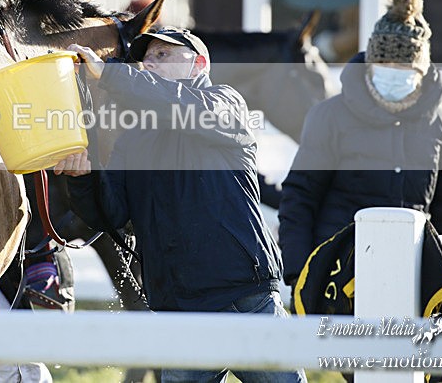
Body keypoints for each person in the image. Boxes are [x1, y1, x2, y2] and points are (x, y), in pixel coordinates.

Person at [55, 26, 306, 383]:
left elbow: (176, 104)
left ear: (199, 64)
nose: (150, 63)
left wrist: (112, 74)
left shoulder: (225, 103)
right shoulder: (134, 140)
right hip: (179, 310)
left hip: (246, 299)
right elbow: (108, 216)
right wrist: (82, 178)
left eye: (163, 55)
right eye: (147, 57)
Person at [278, 0, 442, 303]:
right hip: (337, 277)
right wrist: (300, 272)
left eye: (404, 67)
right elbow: (300, 197)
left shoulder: (439, 126)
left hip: (413, 274)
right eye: (385, 64)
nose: (394, 73)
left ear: (420, 71)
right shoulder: (330, 117)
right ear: (371, 64)